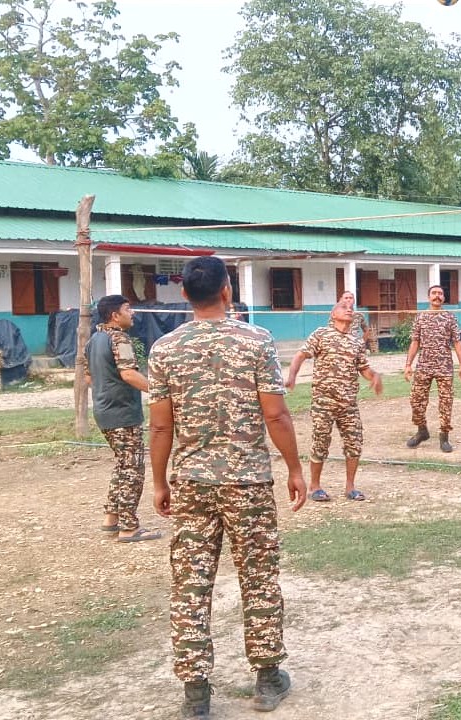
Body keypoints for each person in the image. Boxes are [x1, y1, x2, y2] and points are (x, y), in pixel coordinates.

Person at [148, 256, 307, 718]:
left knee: (191, 585)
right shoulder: (256, 340)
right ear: (226, 291)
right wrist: (295, 468)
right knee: (257, 579)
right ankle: (267, 681)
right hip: (248, 482)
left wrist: (159, 482)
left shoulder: (164, 349)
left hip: (192, 482)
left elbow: (160, 429)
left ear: (185, 296)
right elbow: (275, 414)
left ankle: (196, 694)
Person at [286, 300, 383, 502]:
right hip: (324, 401)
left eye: (351, 308)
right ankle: (315, 486)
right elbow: (300, 355)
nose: (349, 309)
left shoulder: (356, 341)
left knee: (354, 443)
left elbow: (363, 368)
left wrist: (374, 376)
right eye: (343, 307)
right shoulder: (321, 334)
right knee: (320, 443)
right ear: (333, 314)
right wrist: (292, 376)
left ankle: (350, 487)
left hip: (348, 403)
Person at [84, 295, 160, 543]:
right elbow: (128, 374)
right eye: (128, 309)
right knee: (132, 469)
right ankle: (129, 527)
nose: (133, 313)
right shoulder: (118, 338)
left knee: (122, 464)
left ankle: (112, 518)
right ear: (115, 316)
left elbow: (89, 378)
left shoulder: (94, 340)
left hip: (103, 410)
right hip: (122, 414)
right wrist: (160, 391)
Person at [404, 284, 461, 453]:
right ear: (428, 297)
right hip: (424, 365)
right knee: (416, 401)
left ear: (444, 298)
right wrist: (408, 364)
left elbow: (457, 342)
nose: (437, 296)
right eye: (434, 293)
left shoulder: (449, 317)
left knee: (446, 402)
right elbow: (415, 341)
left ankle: (444, 436)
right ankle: (422, 431)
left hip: (444, 366)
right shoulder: (421, 317)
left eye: (440, 293)